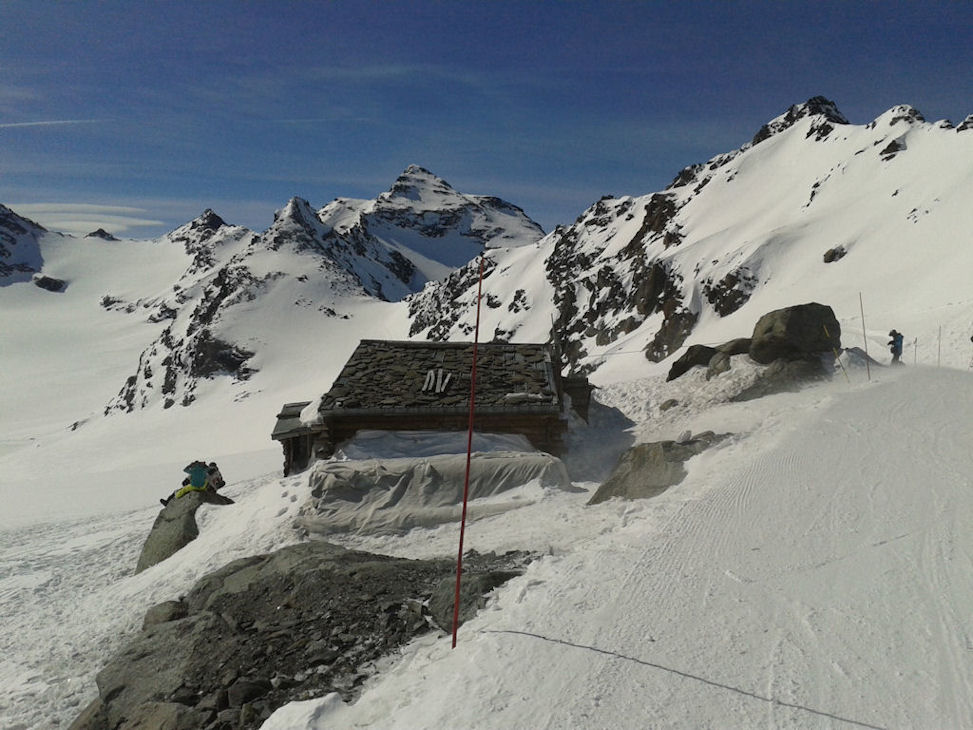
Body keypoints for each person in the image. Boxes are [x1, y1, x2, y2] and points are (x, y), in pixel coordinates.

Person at [160, 460, 224, 506]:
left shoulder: (208, 470)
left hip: (201, 487)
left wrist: (187, 480)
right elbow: (220, 483)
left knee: (179, 491)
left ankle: (168, 502)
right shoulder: (218, 474)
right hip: (210, 490)